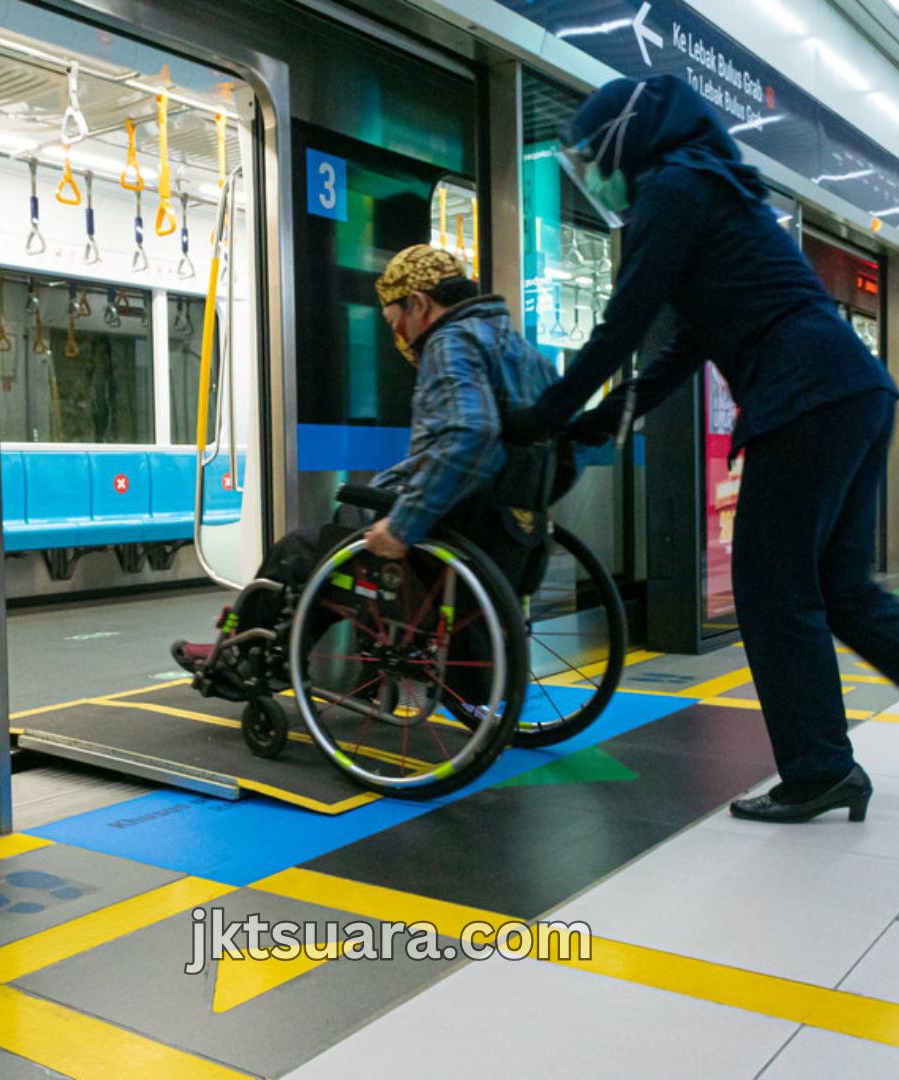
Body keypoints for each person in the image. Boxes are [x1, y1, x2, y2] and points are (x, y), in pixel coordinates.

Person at [502, 74, 899, 823]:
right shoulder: (709, 187)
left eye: (592, 157)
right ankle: (824, 768)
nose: (595, 176)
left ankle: (818, 771)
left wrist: (547, 412)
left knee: (773, 588)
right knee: (843, 592)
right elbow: (689, 342)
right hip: (852, 389)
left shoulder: (673, 190)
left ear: (626, 134)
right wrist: (615, 408)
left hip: (807, 397)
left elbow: (624, 320)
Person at [174, 243, 562, 693]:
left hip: (442, 541)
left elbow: (467, 437)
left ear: (418, 304)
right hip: (506, 536)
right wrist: (533, 503)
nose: (397, 332)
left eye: (392, 318)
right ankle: (362, 670)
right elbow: (557, 445)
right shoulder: (528, 355)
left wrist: (404, 524)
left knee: (301, 551)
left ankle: (244, 657)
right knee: (349, 533)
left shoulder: (450, 342)